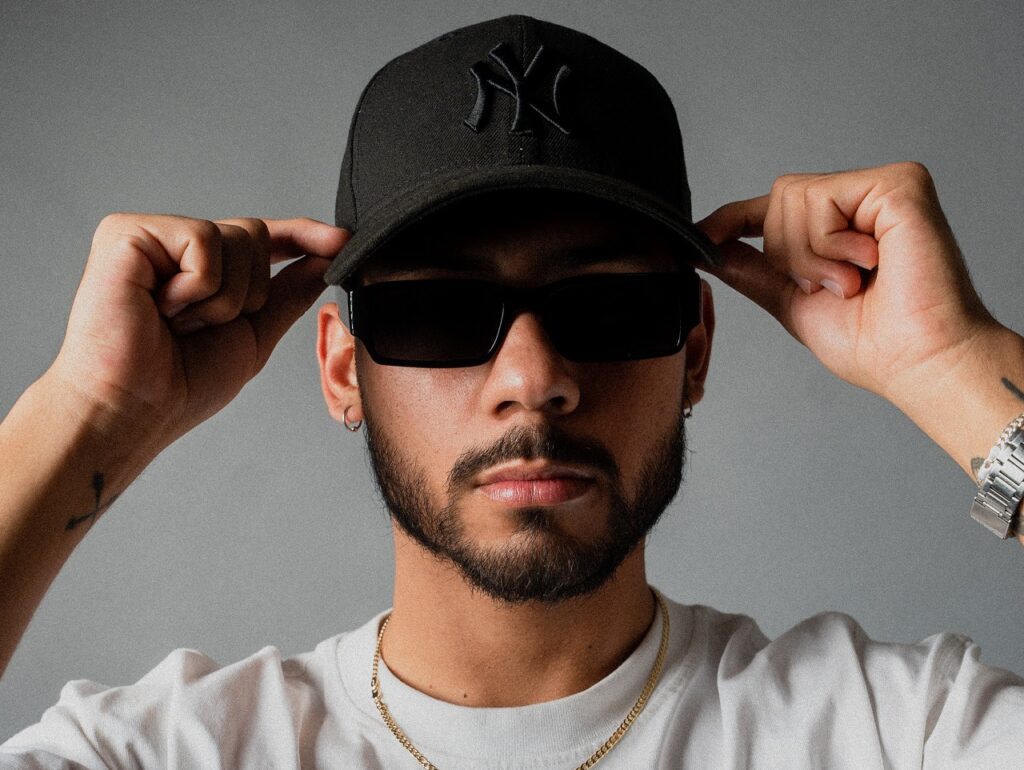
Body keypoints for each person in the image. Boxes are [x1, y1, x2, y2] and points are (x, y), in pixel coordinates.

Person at [1, 13, 1023, 769]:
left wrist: (948, 363)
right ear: (343, 368)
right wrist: (88, 414)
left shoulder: (897, 734)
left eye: (609, 306)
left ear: (695, 351)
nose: (534, 381)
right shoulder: (167, 753)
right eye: (439, 314)